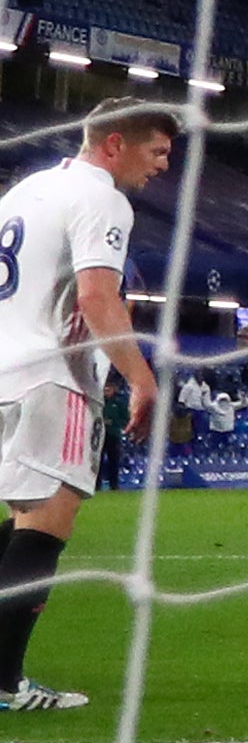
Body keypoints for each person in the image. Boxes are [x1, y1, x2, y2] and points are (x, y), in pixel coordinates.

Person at [0, 98, 177, 709]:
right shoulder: (103, 199)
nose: (161, 166)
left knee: (26, 519)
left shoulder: (26, 190)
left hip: (4, 368)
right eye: (157, 151)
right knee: (49, 522)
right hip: (53, 375)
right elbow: (100, 296)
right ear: (114, 145)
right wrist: (141, 377)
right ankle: (5, 682)